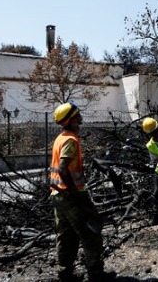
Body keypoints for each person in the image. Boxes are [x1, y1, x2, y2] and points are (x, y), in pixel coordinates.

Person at [50, 102, 116, 282]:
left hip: (57, 195)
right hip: (70, 196)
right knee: (91, 233)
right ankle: (96, 274)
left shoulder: (60, 138)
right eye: (77, 116)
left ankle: (65, 273)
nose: (80, 119)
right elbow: (63, 168)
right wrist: (76, 195)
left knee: (65, 236)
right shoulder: (70, 140)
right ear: (70, 120)